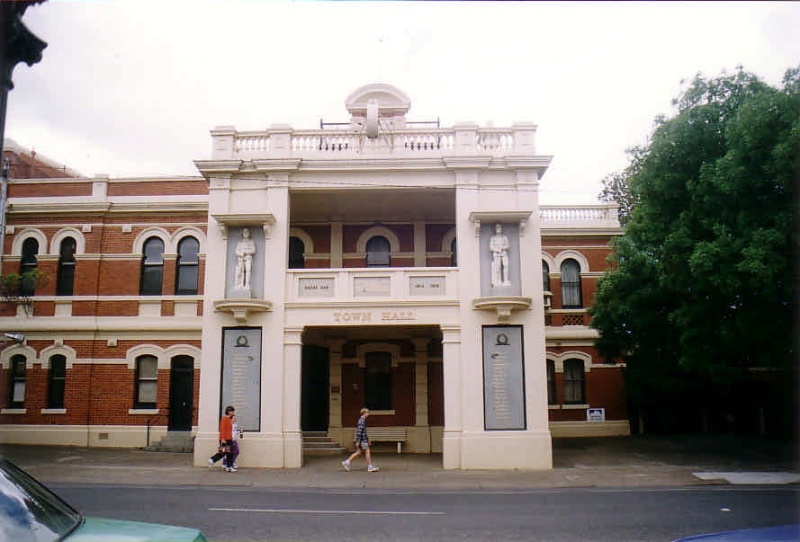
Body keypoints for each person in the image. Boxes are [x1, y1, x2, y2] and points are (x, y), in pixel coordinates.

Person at [341, 408, 379, 473]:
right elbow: (359, 431)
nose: (368, 414)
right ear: (364, 413)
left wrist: (367, 440)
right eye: (367, 413)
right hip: (362, 440)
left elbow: (363, 432)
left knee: (358, 452)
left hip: (363, 439)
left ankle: (347, 462)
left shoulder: (362, 420)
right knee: (367, 451)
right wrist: (358, 441)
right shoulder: (362, 420)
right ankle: (370, 467)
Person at [208, 405, 236, 472]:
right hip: (225, 439)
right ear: (228, 412)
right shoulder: (224, 419)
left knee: (230, 453)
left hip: (229, 438)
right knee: (223, 452)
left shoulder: (229, 419)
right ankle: (212, 459)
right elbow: (222, 429)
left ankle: (228, 466)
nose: (233, 412)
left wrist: (233, 420)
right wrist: (223, 438)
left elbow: (229, 429)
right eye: (232, 411)